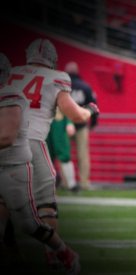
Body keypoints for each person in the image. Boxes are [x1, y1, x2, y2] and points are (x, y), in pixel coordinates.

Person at [8, 38, 99, 269]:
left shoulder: (12, 73)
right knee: (45, 204)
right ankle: (56, 254)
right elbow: (75, 115)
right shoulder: (56, 78)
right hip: (32, 142)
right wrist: (88, 111)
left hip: (5, 142)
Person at [0, 51, 82, 274]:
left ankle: (62, 252)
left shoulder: (11, 95)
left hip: (14, 164)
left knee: (29, 223)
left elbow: (6, 137)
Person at [64, 61, 97, 190]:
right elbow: (93, 106)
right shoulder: (85, 86)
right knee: (83, 155)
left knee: (65, 154)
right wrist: (93, 123)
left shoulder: (61, 86)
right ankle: (84, 182)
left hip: (64, 124)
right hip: (81, 124)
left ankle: (67, 182)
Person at [46, 108, 79, 192]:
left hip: (57, 122)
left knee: (64, 154)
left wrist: (69, 122)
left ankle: (71, 184)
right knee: (45, 157)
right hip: (42, 122)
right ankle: (48, 184)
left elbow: (65, 103)